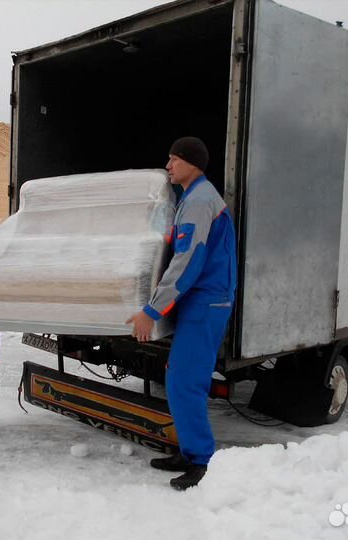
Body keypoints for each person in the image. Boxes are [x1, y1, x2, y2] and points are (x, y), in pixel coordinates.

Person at [127, 137, 237, 490]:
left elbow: (187, 263)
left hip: (207, 302)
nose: (168, 164)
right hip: (199, 301)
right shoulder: (191, 199)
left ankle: (201, 461)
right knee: (179, 377)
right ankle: (189, 451)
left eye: (174, 158)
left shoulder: (200, 201)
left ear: (192, 163)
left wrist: (151, 311)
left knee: (185, 382)